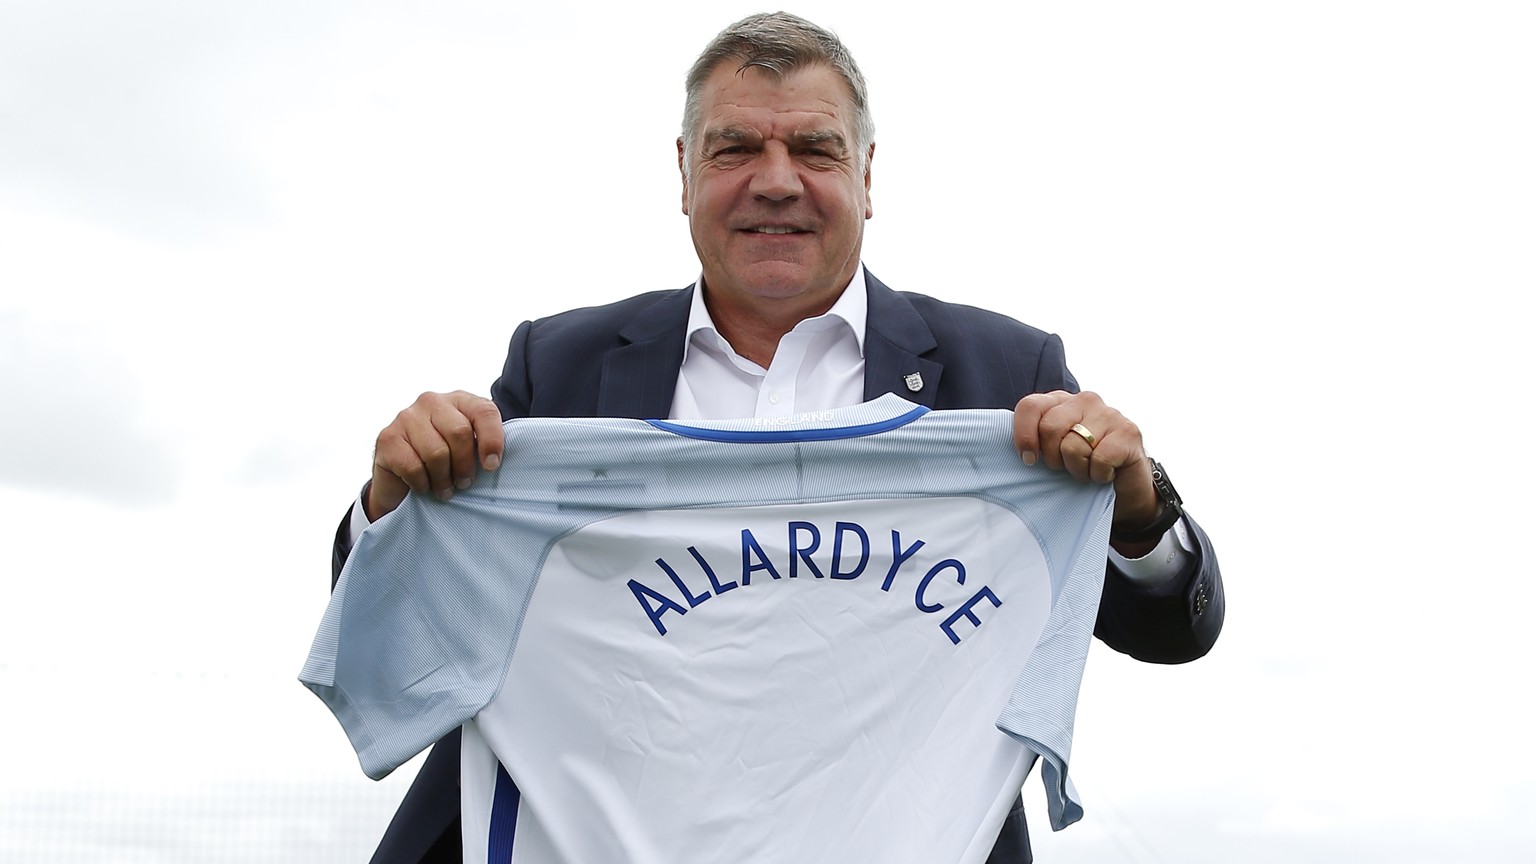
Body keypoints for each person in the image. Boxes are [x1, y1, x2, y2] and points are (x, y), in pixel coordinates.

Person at [331, 12, 1223, 864]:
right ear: (683, 173)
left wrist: (1135, 512)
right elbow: (403, 612)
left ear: (868, 176)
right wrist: (393, 504)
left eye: (814, 149)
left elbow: (1170, 631)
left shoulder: (999, 370)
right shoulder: (558, 369)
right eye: (734, 149)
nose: (776, 180)